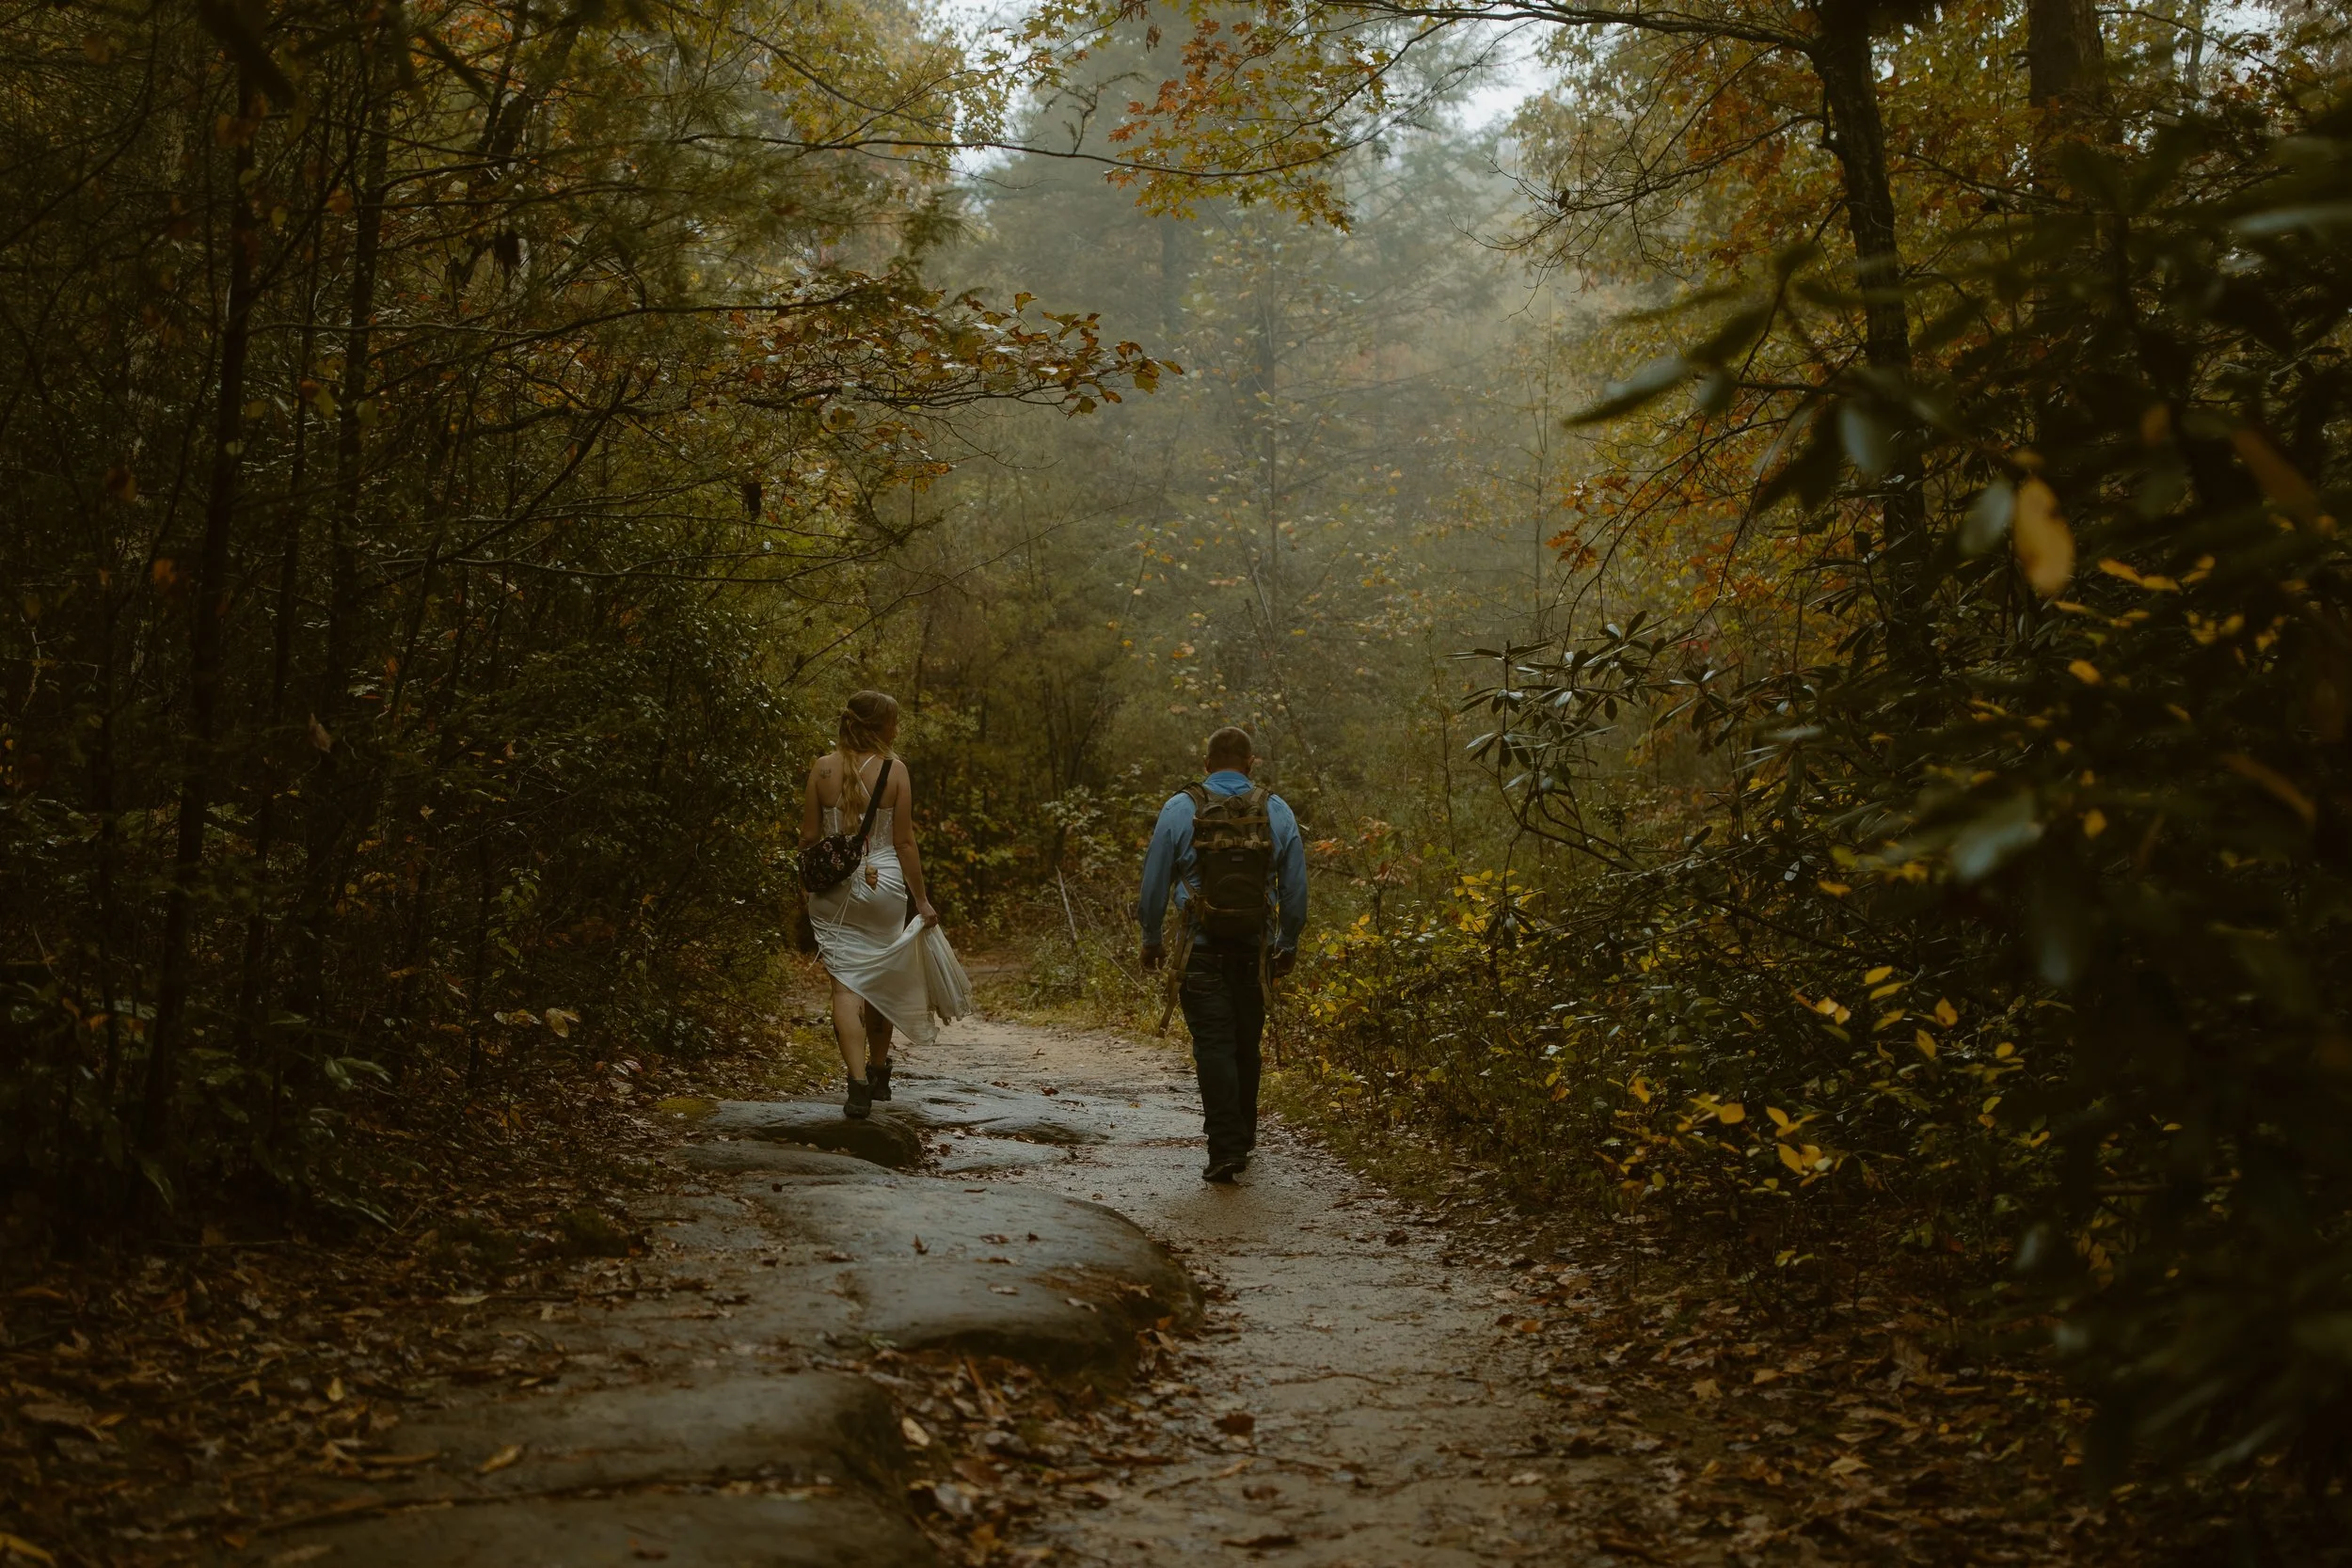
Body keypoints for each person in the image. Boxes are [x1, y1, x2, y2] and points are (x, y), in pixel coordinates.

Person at [1137, 726, 1308, 1183]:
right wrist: (1286, 945)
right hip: (1255, 951)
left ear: (1207, 763)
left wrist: (1151, 937)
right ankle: (1243, 1139)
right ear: (1251, 764)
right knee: (1244, 1044)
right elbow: (1295, 890)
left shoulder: (1180, 808)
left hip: (1200, 948)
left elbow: (1154, 883)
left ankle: (1226, 1147)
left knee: (1213, 1045)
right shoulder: (1275, 809)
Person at [799, 690, 972, 1117]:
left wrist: (806, 892)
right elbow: (905, 842)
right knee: (881, 978)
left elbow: (807, 839)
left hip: (834, 889)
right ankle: (879, 1073)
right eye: (894, 721)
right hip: (886, 887)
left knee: (845, 987)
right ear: (880, 727)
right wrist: (922, 901)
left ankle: (856, 1085)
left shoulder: (821, 769)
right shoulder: (896, 771)